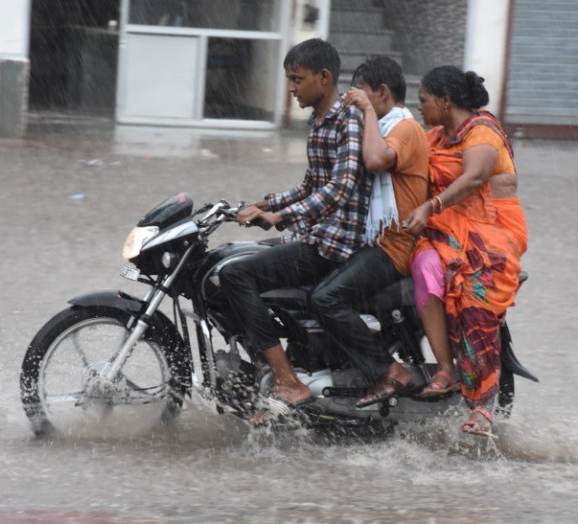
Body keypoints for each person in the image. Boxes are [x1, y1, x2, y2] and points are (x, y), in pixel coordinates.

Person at [218, 38, 372, 423]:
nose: (290, 88)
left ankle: (288, 381)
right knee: (240, 256)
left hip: (336, 244)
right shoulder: (319, 121)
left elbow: (342, 186)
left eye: (296, 79)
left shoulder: (347, 119)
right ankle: (278, 362)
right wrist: (263, 203)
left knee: (235, 275)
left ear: (323, 77)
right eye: (289, 79)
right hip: (318, 235)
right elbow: (310, 186)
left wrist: (282, 219)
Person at [402, 65, 525, 437]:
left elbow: (472, 178)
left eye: (423, 100)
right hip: (443, 232)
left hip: (490, 233)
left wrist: (429, 207)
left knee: (473, 293)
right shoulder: (436, 137)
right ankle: (444, 367)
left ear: (445, 101)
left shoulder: (482, 131)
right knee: (423, 263)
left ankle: (482, 406)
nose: (419, 107)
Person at [309, 55, 429, 408]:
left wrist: (367, 112)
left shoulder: (405, 128)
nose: (353, 101)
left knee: (325, 297)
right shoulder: (384, 127)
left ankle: (387, 370)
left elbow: (376, 161)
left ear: (382, 92)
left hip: (394, 248)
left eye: (360, 93)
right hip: (374, 242)